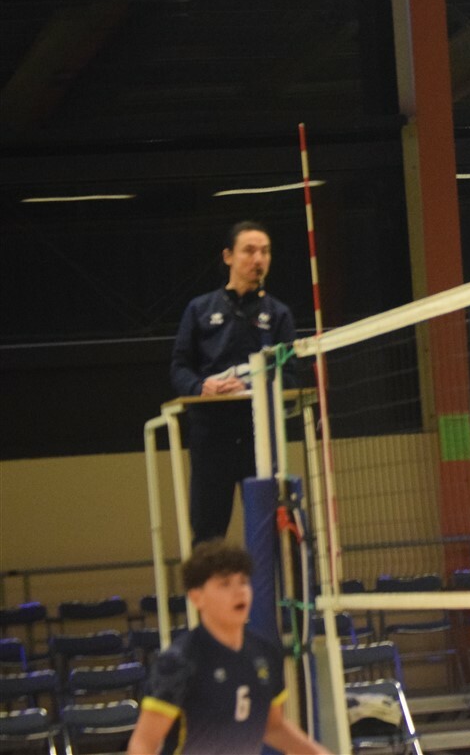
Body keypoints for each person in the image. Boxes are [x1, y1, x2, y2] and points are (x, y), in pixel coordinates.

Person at [126, 540, 328, 754]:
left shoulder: (266, 653)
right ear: (197, 597)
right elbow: (143, 743)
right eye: (225, 584)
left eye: (243, 582)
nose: (239, 592)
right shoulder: (179, 661)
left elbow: (274, 726)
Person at [170, 222, 297, 545]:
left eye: (265, 252)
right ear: (228, 256)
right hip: (211, 436)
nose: (258, 259)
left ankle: (272, 581)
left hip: (260, 435)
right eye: (249, 251)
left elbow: (291, 374)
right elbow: (180, 367)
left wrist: (258, 388)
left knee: (269, 530)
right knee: (208, 529)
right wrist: (201, 387)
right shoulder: (199, 309)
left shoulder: (279, 314)